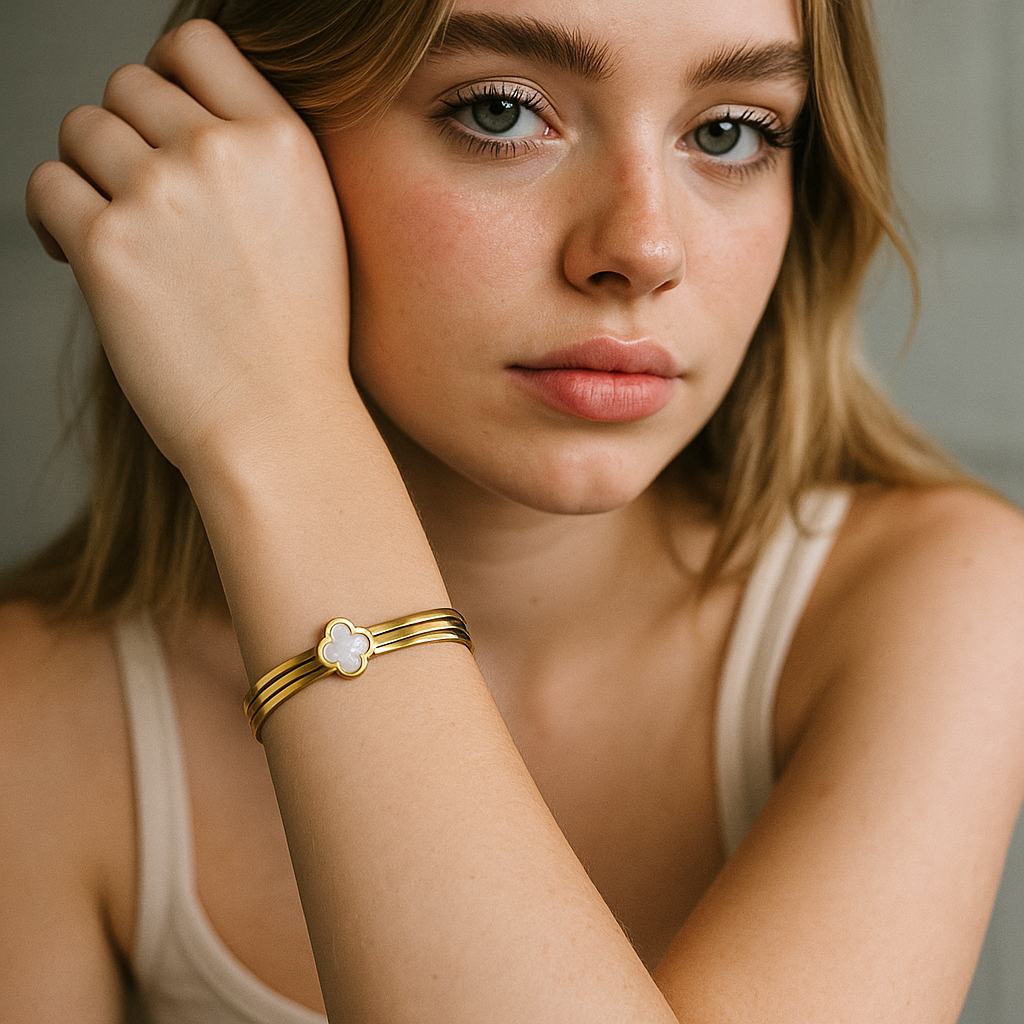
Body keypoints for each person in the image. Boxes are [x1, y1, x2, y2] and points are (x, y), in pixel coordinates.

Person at [4, 0, 1024, 1019]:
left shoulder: (948, 600)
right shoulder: (42, 714)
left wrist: (280, 427)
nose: (642, 247)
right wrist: (272, 422)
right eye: (498, 113)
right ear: (255, 153)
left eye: (728, 132)